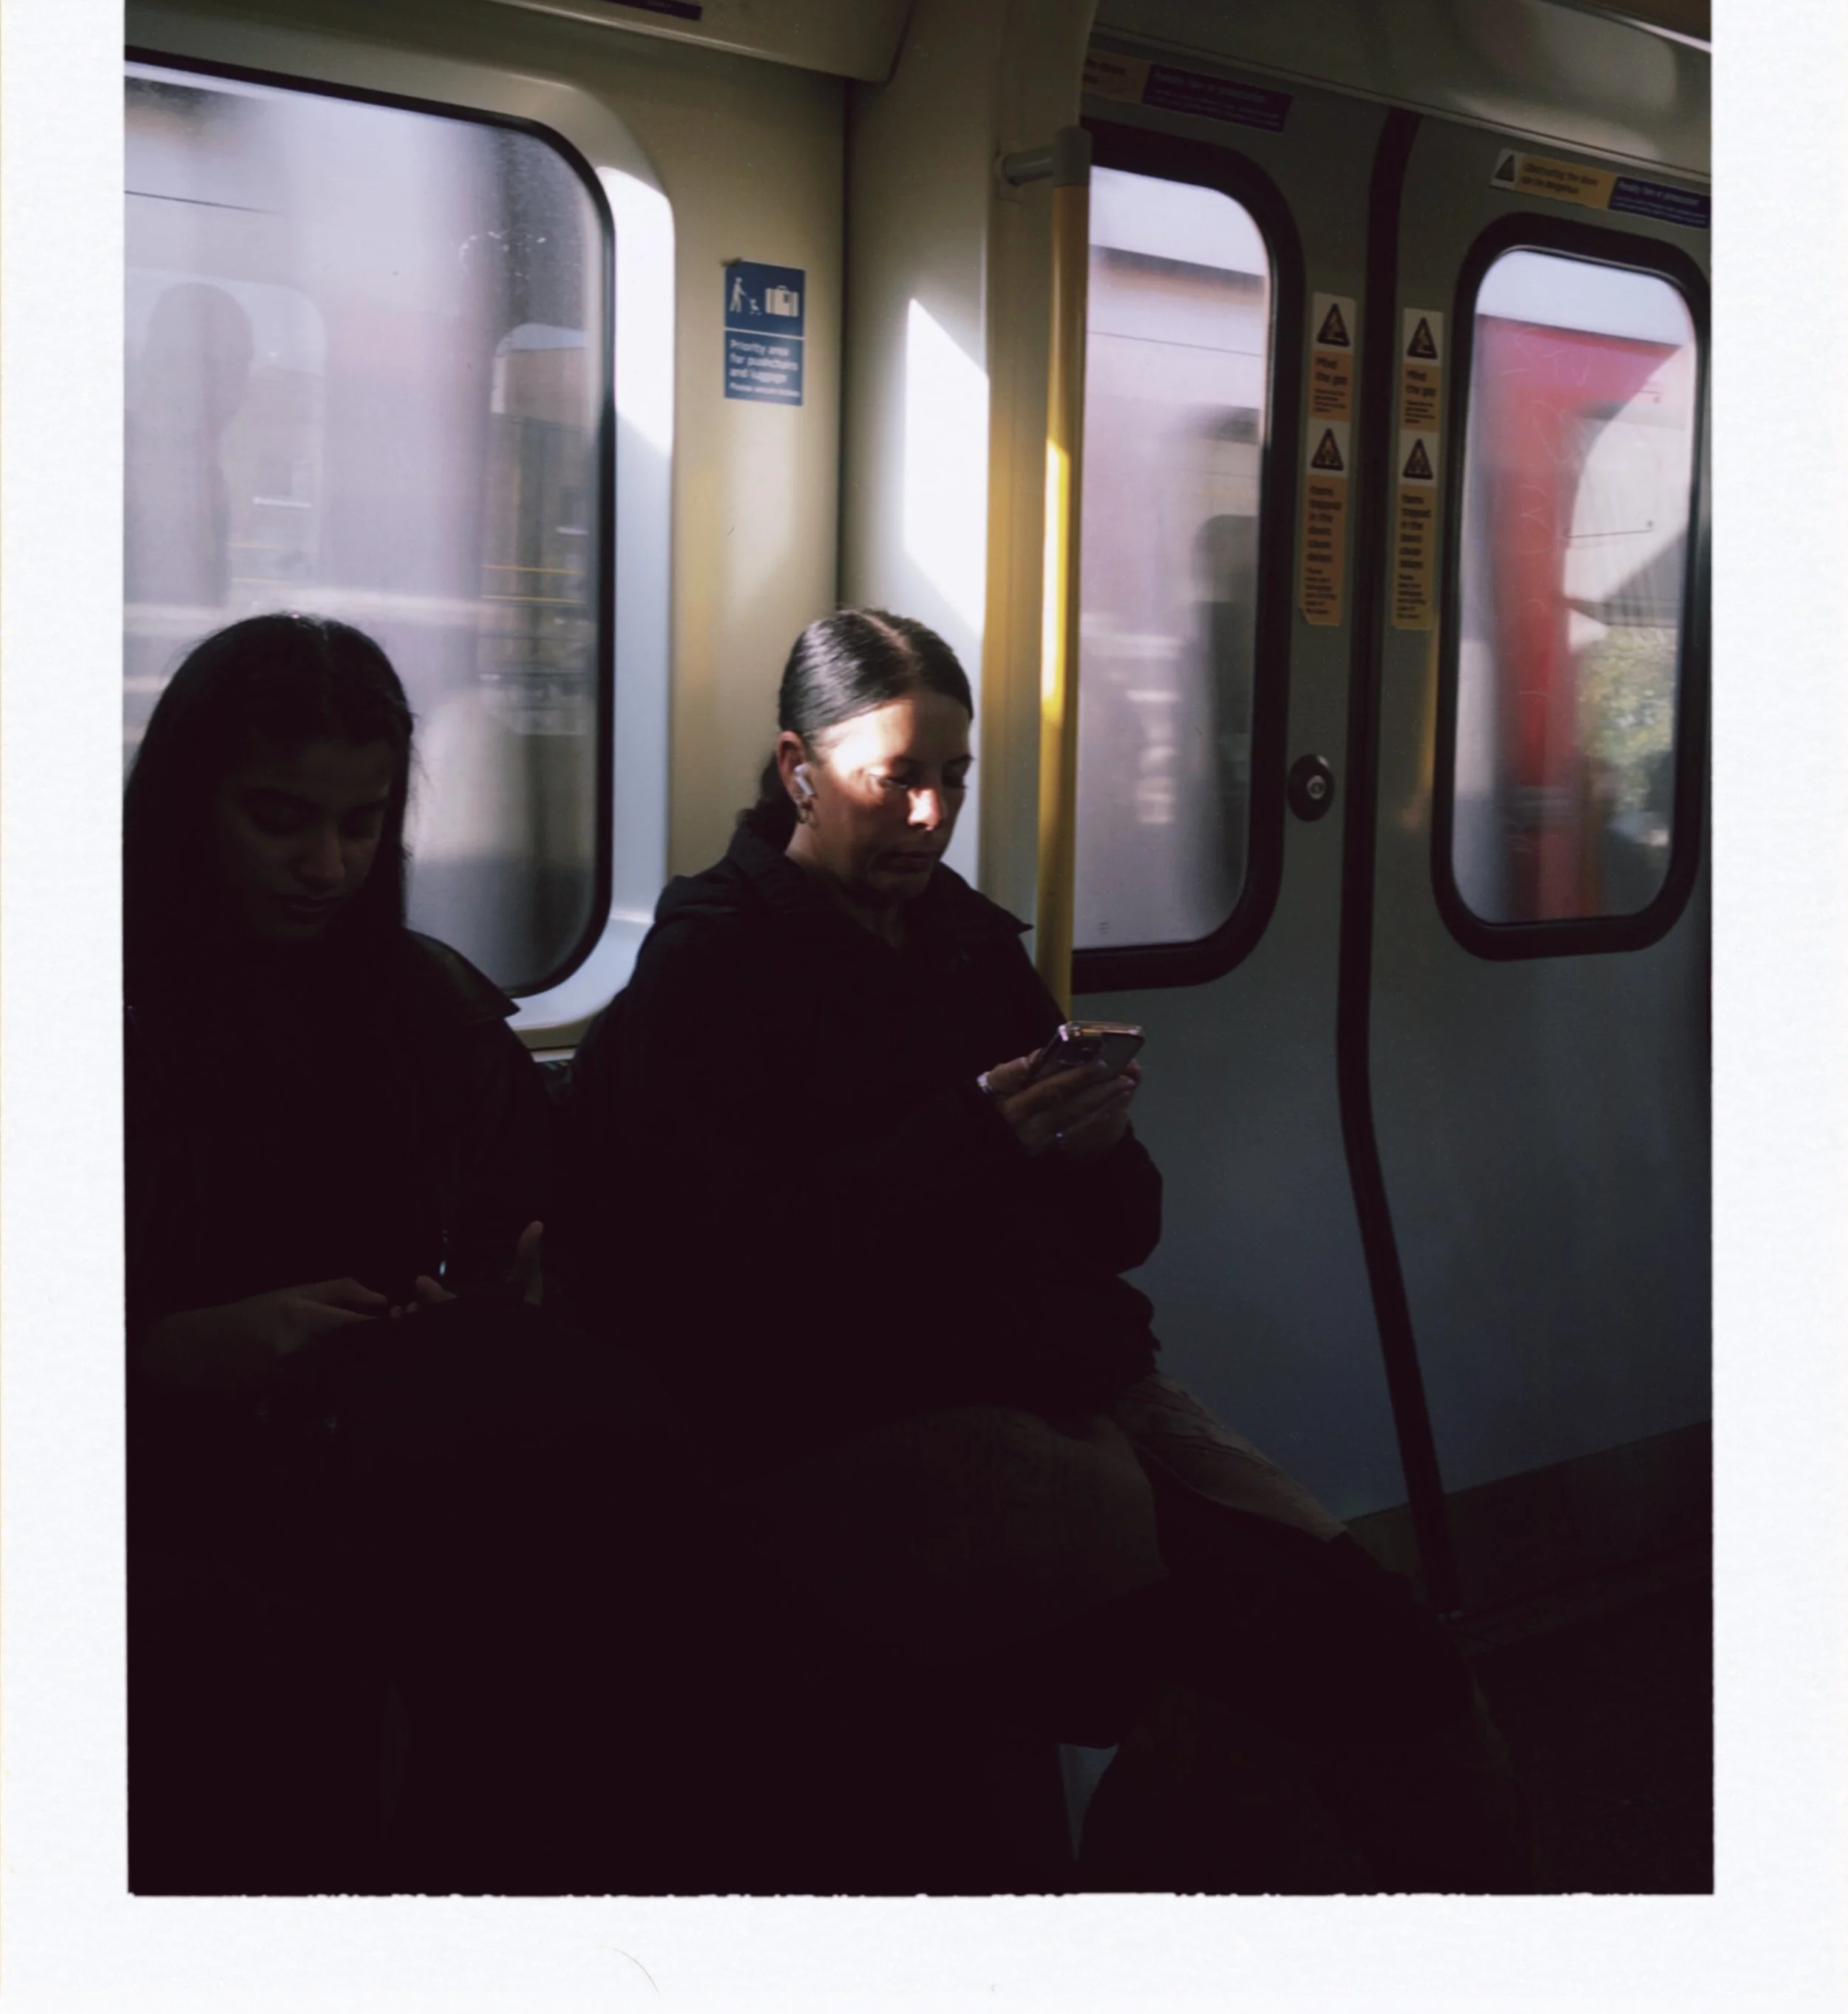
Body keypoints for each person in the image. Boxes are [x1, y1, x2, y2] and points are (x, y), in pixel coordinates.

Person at [563, 607, 1532, 1892]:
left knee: (1390, 1641)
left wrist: (1092, 1150)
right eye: (894, 779)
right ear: (799, 769)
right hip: (859, 1420)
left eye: (952, 779)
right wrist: (969, 1144)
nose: (930, 816)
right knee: (1268, 1656)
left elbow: (1126, 1233)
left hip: (1071, 1385)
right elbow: (722, 1282)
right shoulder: (713, 967)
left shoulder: (967, 945)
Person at [123, 614, 682, 1893]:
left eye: (362, 825)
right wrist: (171, 1350)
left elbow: (524, 1223)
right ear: (190, 807)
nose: (326, 866)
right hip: (175, 1488)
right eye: (279, 821)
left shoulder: (426, 1008)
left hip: (401, 1466)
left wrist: (502, 1300)